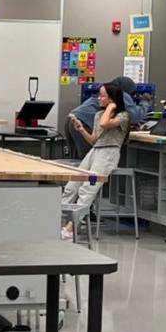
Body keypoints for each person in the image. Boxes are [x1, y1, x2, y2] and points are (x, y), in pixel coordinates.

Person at [62, 82, 134, 240]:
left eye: (102, 96)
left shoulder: (122, 116)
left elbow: (105, 124)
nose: (98, 99)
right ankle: (60, 222)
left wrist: (111, 107)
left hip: (109, 152)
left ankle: (71, 227)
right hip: (96, 151)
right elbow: (94, 140)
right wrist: (81, 130)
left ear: (112, 99)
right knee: (72, 185)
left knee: (88, 189)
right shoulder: (98, 115)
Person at [66, 77, 145, 159]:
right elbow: (135, 116)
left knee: (75, 159)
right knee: (89, 158)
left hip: (72, 119)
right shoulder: (121, 94)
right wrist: (145, 103)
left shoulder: (106, 92)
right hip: (83, 122)